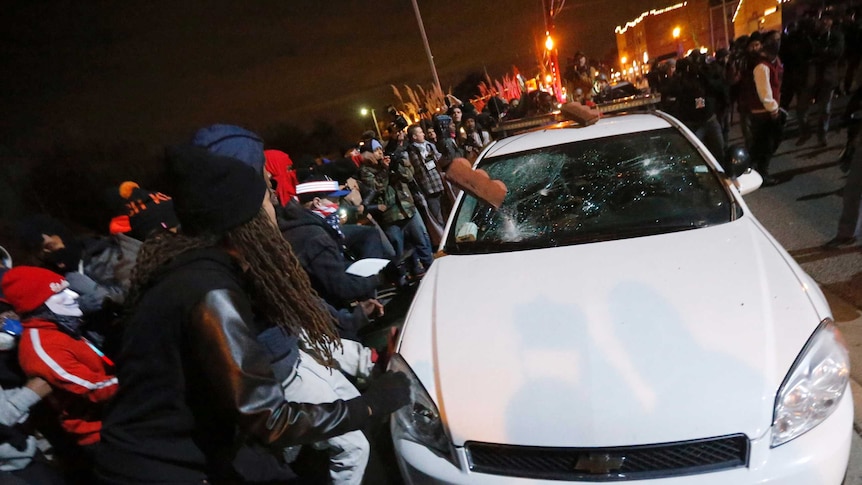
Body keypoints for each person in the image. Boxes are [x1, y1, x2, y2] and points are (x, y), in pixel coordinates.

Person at [94, 145, 409, 484]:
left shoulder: (202, 273)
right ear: (247, 222)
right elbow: (269, 419)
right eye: (267, 201)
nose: (276, 206)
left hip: (180, 454)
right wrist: (374, 403)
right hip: (161, 468)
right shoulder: (209, 289)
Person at [1, 266, 118, 481]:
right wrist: (139, 380)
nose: (73, 295)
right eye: (59, 293)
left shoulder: (59, 327)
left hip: (111, 418)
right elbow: (89, 388)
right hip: (100, 433)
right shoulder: (41, 344)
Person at [738, 30, 785, 186]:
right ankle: (759, 173)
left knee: (762, 145)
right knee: (764, 145)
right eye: (774, 40)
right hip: (763, 112)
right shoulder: (762, 66)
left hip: (768, 110)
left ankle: (752, 169)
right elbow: (764, 91)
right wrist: (772, 108)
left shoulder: (772, 62)